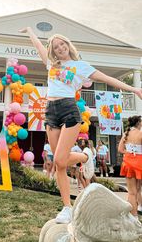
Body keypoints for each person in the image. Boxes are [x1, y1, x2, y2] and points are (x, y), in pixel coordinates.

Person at [19, 27, 142, 224]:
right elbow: (38, 47)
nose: (60, 48)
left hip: (69, 109)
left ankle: (86, 156)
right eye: (55, 46)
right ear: (53, 51)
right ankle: (67, 208)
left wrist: (134, 88)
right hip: (50, 111)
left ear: (68, 45)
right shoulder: (51, 64)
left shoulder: (81, 66)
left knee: (60, 160)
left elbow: (107, 78)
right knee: (59, 163)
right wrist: (31, 32)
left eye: (62, 44)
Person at [118, 115, 142, 219]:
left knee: (131, 192)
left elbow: (120, 149)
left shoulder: (125, 134)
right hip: (139, 162)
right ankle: (138, 207)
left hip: (128, 162)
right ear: (138, 123)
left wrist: (129, 153)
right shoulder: (140, 134)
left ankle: (133, 216)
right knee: (138, 189)